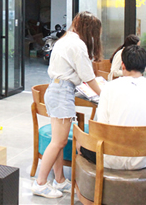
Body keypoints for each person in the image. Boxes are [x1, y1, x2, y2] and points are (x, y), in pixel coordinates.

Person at [32, 11, 103, 199]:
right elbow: (88, 77)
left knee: (58, 140)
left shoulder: (65, 39)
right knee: (58, 142)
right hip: (62, 92)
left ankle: (60, 180)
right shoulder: (77, 44)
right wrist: (105, 94)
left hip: (56, 89)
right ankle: (40, 183)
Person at [81, 45, 146, 169]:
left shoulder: (109, 88)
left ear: (123, 65)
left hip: (110, 159)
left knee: (80, 144)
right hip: (141, 161)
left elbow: (101, 127)